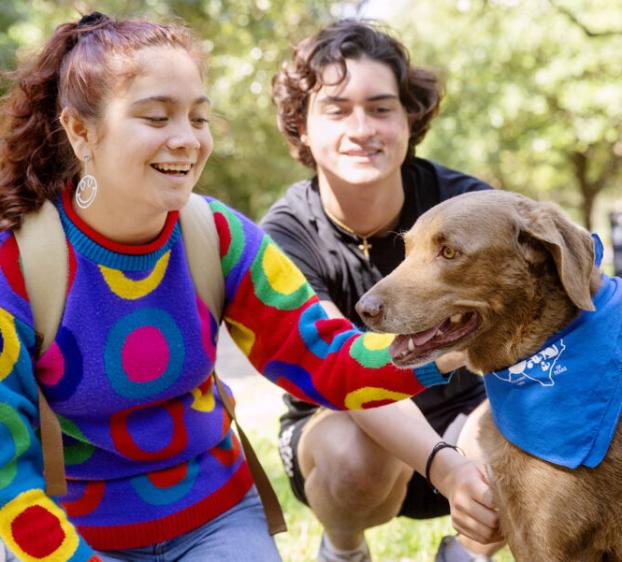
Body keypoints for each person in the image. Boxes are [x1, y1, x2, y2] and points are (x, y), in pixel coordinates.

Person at [0, 12, 466, 562]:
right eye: (156, 116)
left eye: (198, 118)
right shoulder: (18, 264)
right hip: (71, 534)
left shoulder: (218, 236)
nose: (187, 140)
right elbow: (8, 474)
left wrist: (435, 346)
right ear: (80, 131)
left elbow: (324, 357)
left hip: (215, 518)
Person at [263, 19, 504, 562]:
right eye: (336, 108)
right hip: (344, 429)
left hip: (466, 417)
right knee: (355, 459)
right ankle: (344, 548)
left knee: (524, 433)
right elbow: (336, 362)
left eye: (380, 107)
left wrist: (473, 459)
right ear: (302, 126)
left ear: (408, 118)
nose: (361, 127)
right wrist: (446, 466)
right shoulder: (282, 235)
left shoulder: (469, 208)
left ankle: (467, 553)